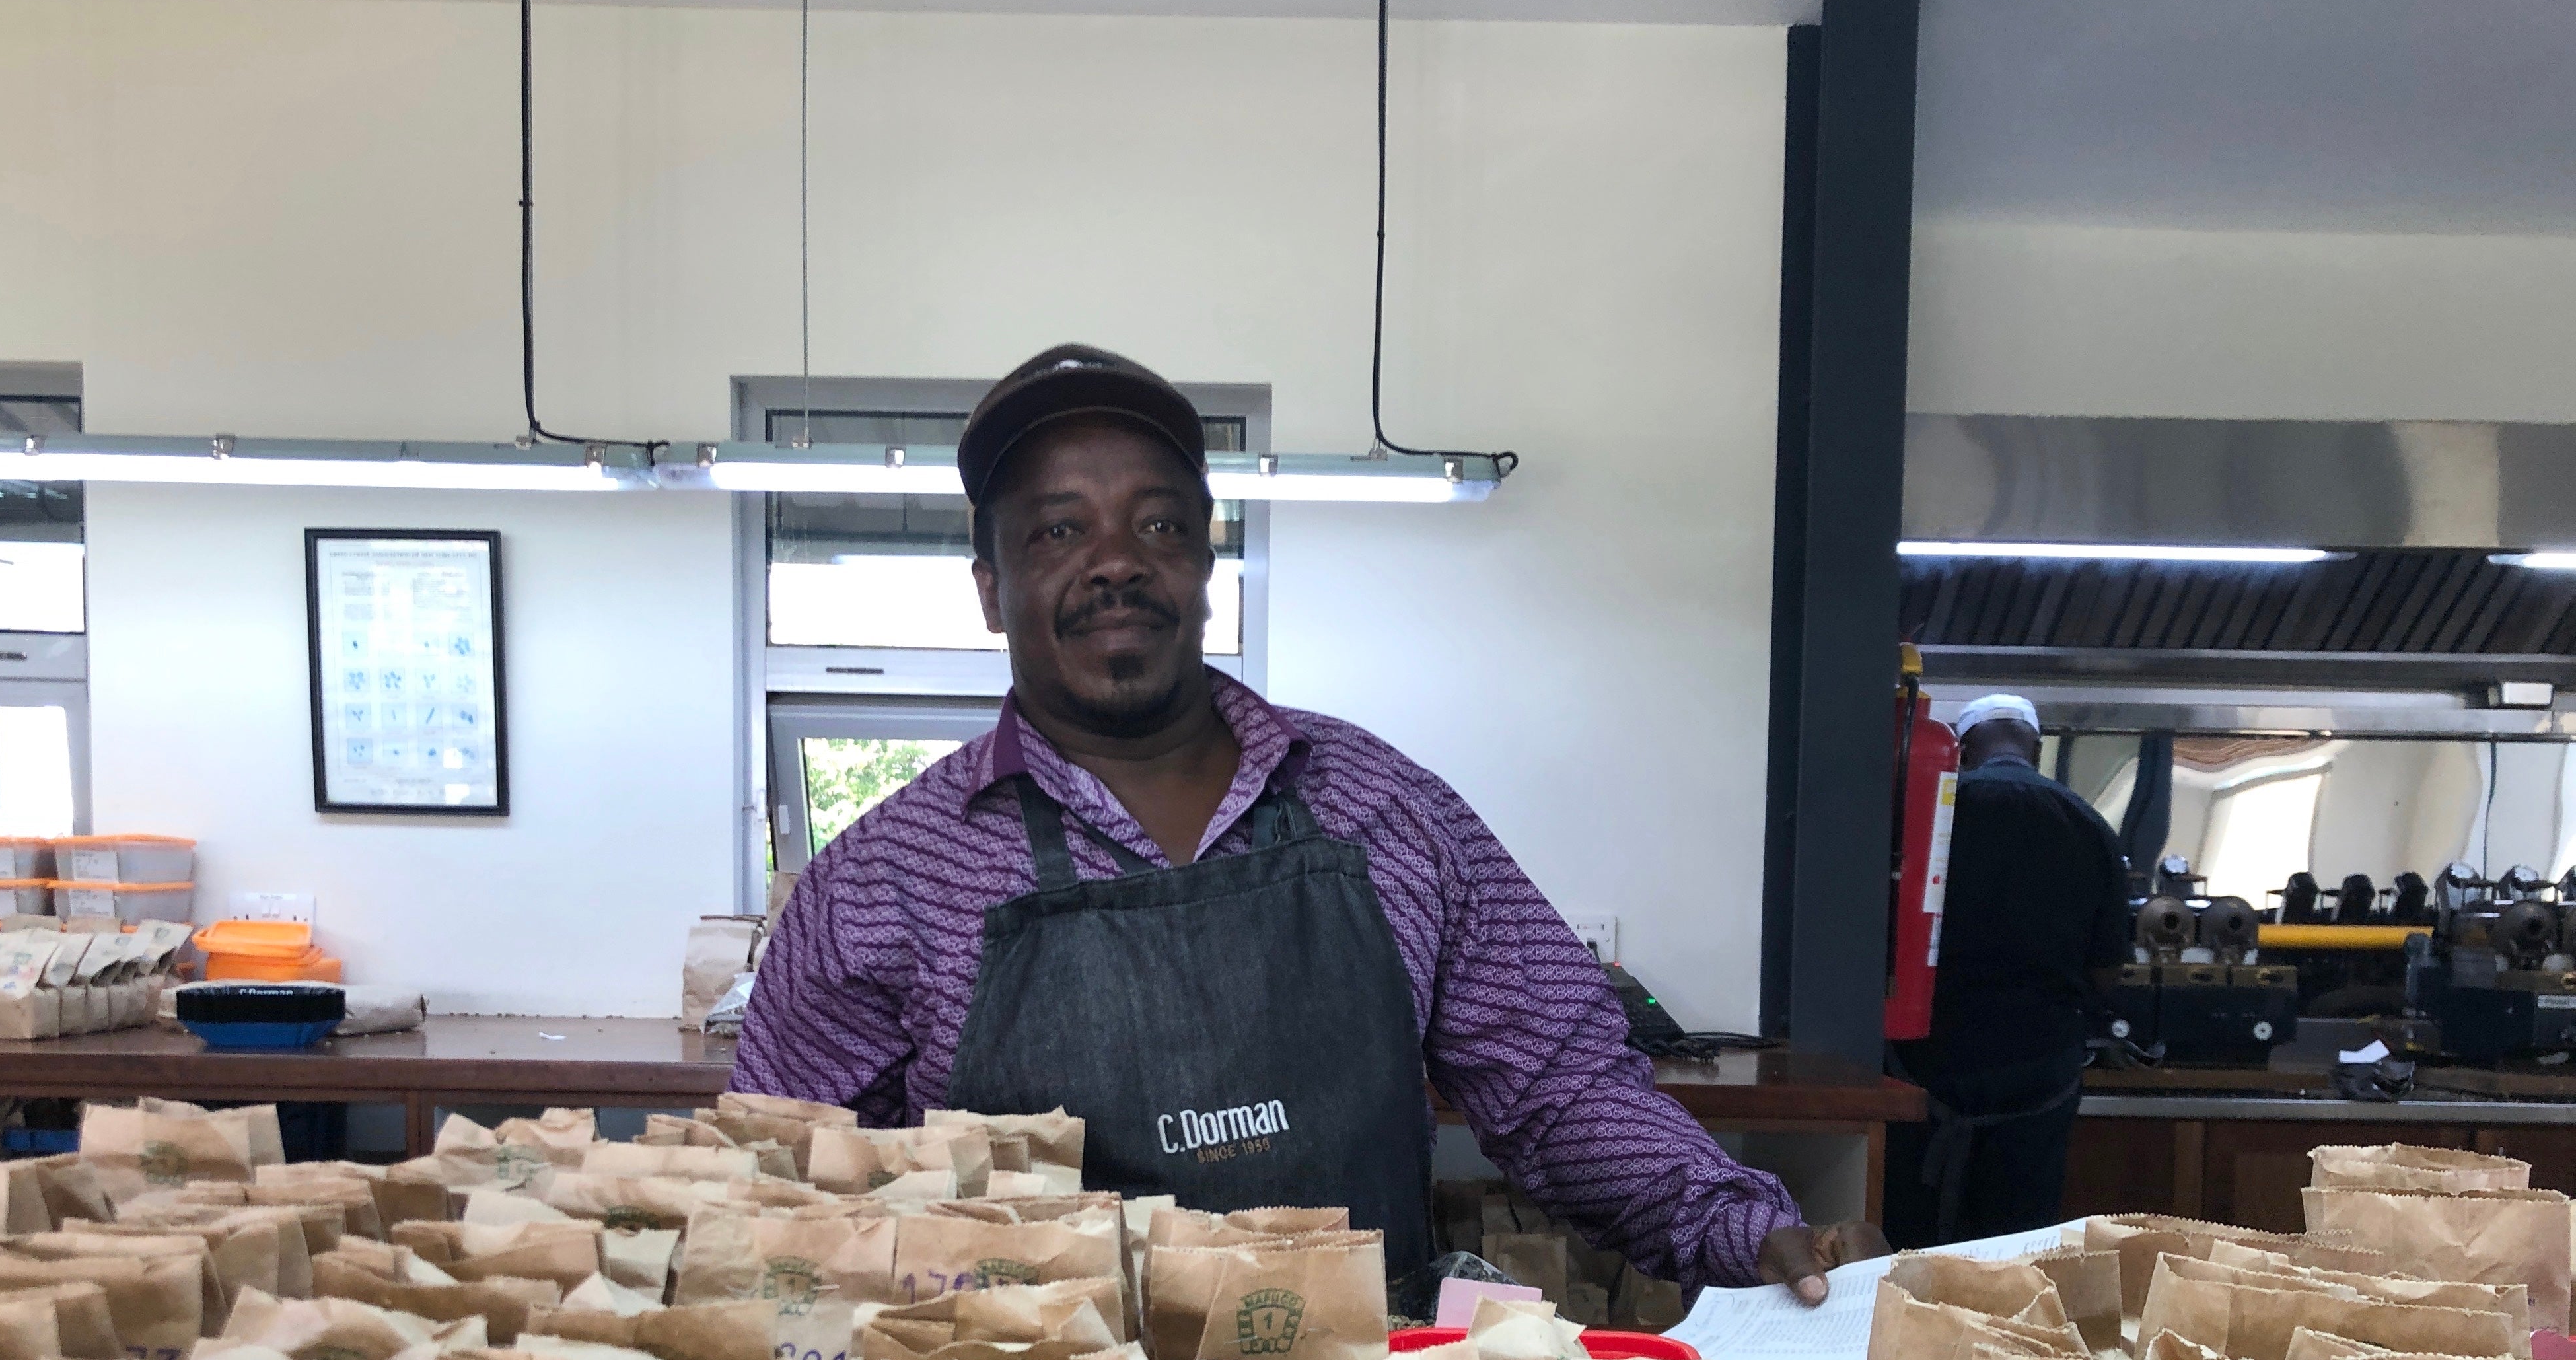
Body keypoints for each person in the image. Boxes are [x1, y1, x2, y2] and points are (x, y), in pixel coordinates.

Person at [733, 342, 1884, 1301]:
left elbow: (1560, 1079)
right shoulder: (882, 882)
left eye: (1160, 526)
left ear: (1208, 565)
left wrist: (1734, 1224)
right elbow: (784, 1198)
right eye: (1056, 532)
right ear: (989, 585)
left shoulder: (1380, 805)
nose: (1117, 562)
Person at [1885, 692, 2131, 1245]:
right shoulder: (2090, 826)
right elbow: (2106, 973)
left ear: (1963, 748)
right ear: (2036, 750)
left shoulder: (1930, 817)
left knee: (1915, 1245)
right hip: (2039, 1075)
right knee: (2019, 1249)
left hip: (1929, 1067)